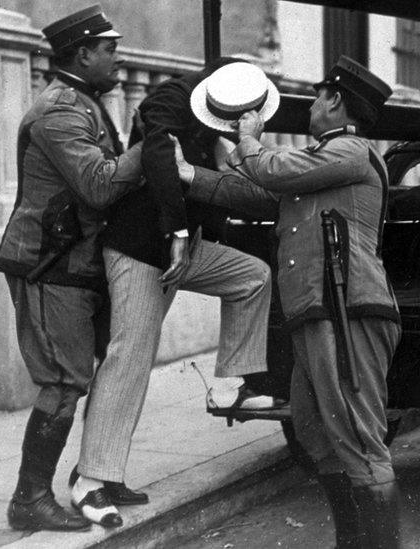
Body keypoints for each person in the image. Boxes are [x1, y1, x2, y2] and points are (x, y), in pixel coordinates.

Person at [173, 55, 403, 548]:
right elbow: (262, 194)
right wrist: (189, 175)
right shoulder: (321, 163)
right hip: (317, 312)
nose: (312, 106)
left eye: (319, 96)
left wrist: (248, 136)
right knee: (315, 434)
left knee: (359, 441)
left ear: (335, 100)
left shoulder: (351, 152)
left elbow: (272, 170)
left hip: (347, 312)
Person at [70, 61, 282, 528]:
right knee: (130, 357)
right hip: (143, 249)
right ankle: (90, 480)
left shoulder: (224, 109)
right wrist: (180, 231)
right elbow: (160, 158)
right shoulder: (169, 99)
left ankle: (229, 386)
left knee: (253, 277)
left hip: (185, 250)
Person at [0, 5, 144, 532]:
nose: (118, 61)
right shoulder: (60, 110)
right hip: (48, 265)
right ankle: (29, 498)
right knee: (62, 381)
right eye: (109, 50)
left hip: (73, 263)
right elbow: (99, 185)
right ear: (83, 53)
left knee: (84, 374)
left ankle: (92, 474)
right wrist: (153, 149)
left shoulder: (85, 104)